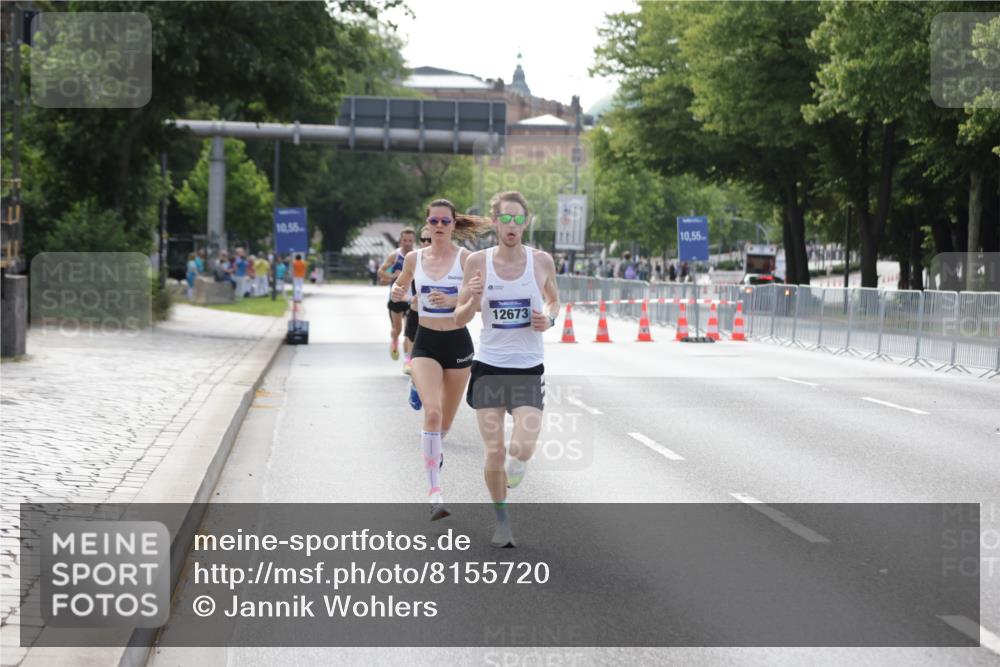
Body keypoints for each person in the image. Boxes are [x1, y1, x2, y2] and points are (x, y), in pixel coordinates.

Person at [456, 191, 560, 548]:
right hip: (488, 367)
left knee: (523, 449)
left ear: (526, 222)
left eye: (519, 219)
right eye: (506, 219)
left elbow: (554, 300)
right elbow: (460, 315)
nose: (512, 226)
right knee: (495, 450)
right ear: (495, 222)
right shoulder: (477, 264)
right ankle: (502, 522)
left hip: (528, 368)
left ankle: (519, 465)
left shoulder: (541, 261)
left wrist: (550, 318)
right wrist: (470, 296)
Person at [390, 200, 489, 521]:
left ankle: (435, 443)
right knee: (432, 414)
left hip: (458, 343)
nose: (440, 225)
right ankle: (435, 494)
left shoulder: (467, 259)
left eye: (446, 221)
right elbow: (401, 288)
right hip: (427, 341)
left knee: (444, 424)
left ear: (453, 224)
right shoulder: (414, 258)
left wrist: (455, 298)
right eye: (434, 220)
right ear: (427, 224)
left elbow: (478, 300)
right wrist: (398, 293)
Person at [379, 228, 417, 363]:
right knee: (397, 330)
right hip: (396, 298)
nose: (407, 243)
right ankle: (394, 339)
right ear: (400, 241)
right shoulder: (394, 256)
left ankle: (408, 360)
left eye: (410, 240)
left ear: (414, 241)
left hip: (410, 299)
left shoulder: (416, 256)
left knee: (409, 331)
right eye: (405, 240)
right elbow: (380, 271)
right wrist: (391, 276)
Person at [404, 227, 433, 380]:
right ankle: (414, 377)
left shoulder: (450, 260)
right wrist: (409, 299)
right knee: (414, 347)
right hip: (415, 311)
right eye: (423, 240)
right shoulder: (414, 260)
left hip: (439, 318)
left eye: (430, 239)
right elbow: (400, 286)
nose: (426, 243)